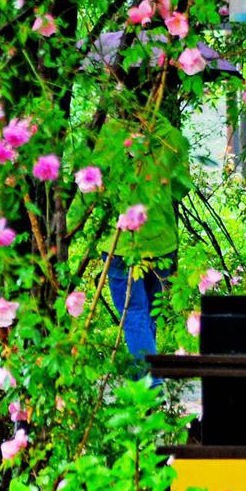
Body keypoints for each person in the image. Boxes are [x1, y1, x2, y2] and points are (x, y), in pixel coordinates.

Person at [92, 62, 192, 375]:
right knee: (148, 315)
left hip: (122, 242)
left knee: (134, 315)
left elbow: (93, 187)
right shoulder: (169, 137)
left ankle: (149, 392)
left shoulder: (109, 136)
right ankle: (150, 388)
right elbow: (181, 188)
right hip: (162, 240)